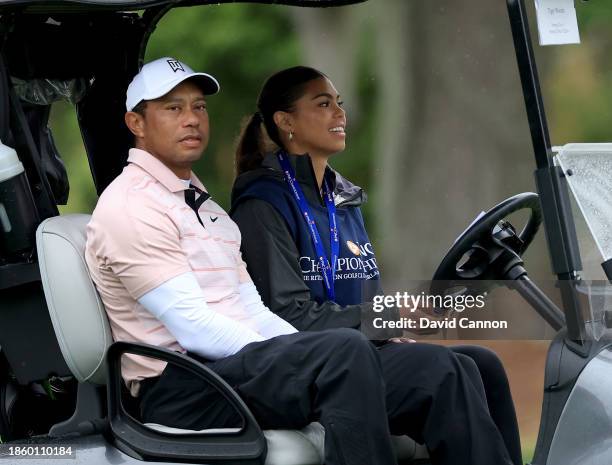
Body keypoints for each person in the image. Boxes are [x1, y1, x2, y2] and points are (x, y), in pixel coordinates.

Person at [84, 57, 400, 465]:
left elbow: (252, 308)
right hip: (180, 386)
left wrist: (293, 349)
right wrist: (292, 355)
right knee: (342, 352)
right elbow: (194, 329)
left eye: (198, 107)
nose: (192, 119)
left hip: (225, 369)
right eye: (173, 108)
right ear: (136, 124)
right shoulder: (131, 206)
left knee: (443, 368)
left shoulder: (207, 209)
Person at [230, 66, 522, 465]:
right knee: (441, 371)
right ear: (286, 122)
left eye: (340, 103)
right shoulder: (263, 205)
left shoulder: (344, 200)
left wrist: (392, 325)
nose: (339, 113)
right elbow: (287, 313)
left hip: (358, 350)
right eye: (323, 104)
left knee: (480, 365)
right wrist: (385, 319)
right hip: (315, 366)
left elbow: (369, 300)